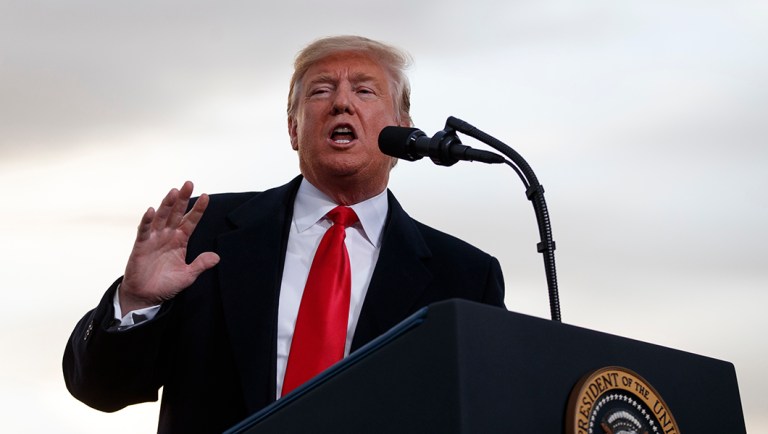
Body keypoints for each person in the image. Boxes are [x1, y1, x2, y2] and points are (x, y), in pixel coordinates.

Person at [63, 35, 505, 433]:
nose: (341, 104)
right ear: (294, 129)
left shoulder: (465, 277)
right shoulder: (204, 230)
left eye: (364, 90)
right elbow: (101, 390)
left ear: (402, 129)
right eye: (321, 90)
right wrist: (137, 303)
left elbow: (490, 412)